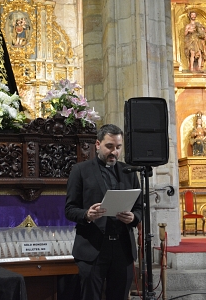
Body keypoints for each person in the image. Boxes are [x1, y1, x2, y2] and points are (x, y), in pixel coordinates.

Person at [65, 124, 142, 300]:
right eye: (109, 146)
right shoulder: (81, 171)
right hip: (93, 248)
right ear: (97, 144)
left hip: (122, 249)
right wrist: (86, 214)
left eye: (118, 147)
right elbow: (69, 209)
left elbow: (139, 207)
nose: (114, 152)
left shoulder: (129, 172)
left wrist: (133, 217)